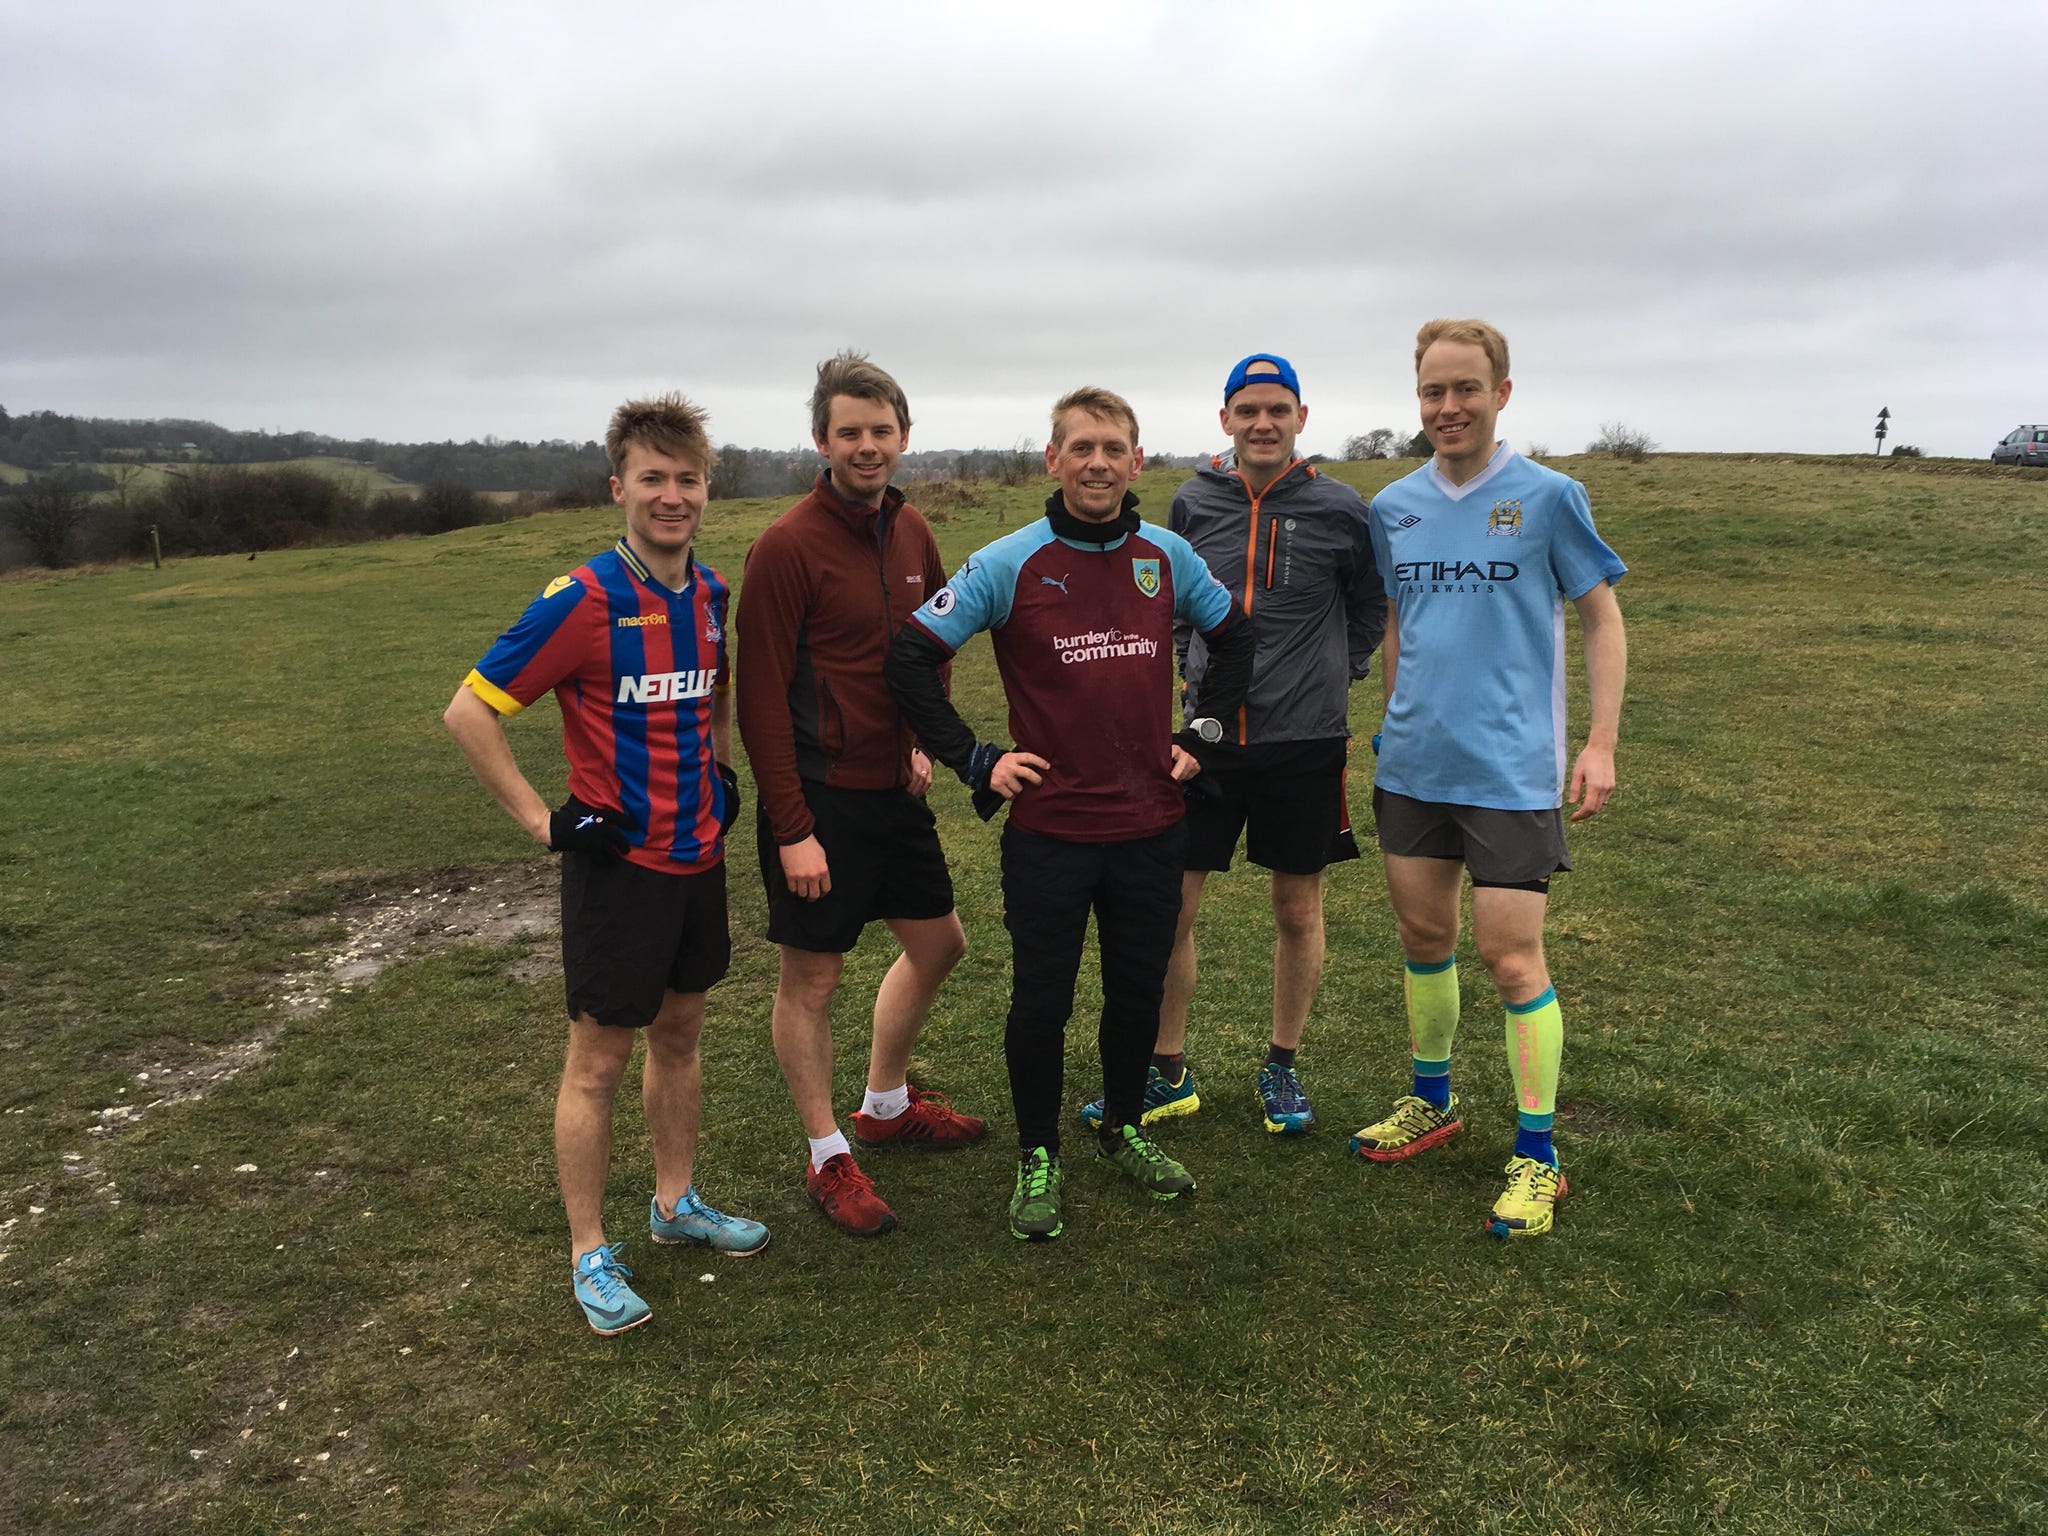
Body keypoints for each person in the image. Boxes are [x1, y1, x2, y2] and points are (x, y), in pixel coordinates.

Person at [886, 387, 1254, 1242]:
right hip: (1050, 834)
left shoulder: (1167, 555)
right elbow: (911, 653)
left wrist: (1200, 731)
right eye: (1080, 447)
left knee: (1136, 991)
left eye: (1113, 448)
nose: (1097, 462)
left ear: (1136, 462)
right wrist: (977, 758)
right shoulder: (1011, 561)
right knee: (1041, 1001)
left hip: (1152, 825)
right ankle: (1038, 1154)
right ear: (1053, 459)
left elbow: (1234, 640)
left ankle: (1125, 1124)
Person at [443, 393, 766, 1337]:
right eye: (653, 478)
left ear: (708, 488)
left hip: (696, 860)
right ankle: (590, 1252)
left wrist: (720, 770)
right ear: (618, 486)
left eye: (689, 479)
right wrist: (547, 824)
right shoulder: (583, 600)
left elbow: (713, 699)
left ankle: (674, 1206)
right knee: (597, 1064)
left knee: (681, 1035)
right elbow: (470, 712)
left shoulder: (709, 595)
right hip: (616, 871)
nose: (673, 496)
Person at [1354, 319, 1628, 1239]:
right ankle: (1432, 1099)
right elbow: (1400, 624)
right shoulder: (1393, 504)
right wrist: (1391, 724)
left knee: (1513, 959)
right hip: (1416, 765)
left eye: (1466, 389)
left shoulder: (1550, 497)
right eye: (1433, 392)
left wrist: (1599, 742)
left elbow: (1601, 619)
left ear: (1502, 392)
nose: (1448, 407)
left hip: (1510, 772)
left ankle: (1538, 1156)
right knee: (1423, 935)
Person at [1079, 353, 1384, 1137]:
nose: (1262, 423)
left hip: (1304, 740)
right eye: (1248, 410)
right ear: (1225, 420)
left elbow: (1368, 605)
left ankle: (1281, 1066)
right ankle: (1166, 1071)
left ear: (1301, 419)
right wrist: (1187, 669)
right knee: (1173, 907)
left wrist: (1336, 672)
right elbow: (1170, 596)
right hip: (1206, 741)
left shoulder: (1342, 507)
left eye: (1277, 410)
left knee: (1296, 907)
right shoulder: (1192, 499)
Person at [734, 351, 982, 1241]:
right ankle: (827, 1152)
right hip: (820, 800)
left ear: (904, 436)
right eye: (851, 432)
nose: (868, 446)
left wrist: (922, 740)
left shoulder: (913, 531)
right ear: (821, 440)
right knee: (813, 979)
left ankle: (884, 1102)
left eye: (882, 431)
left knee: (941, 944)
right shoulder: (786, 546)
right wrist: (793, 829)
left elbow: (935, 640)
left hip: (894, 790)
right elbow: (758, 698)